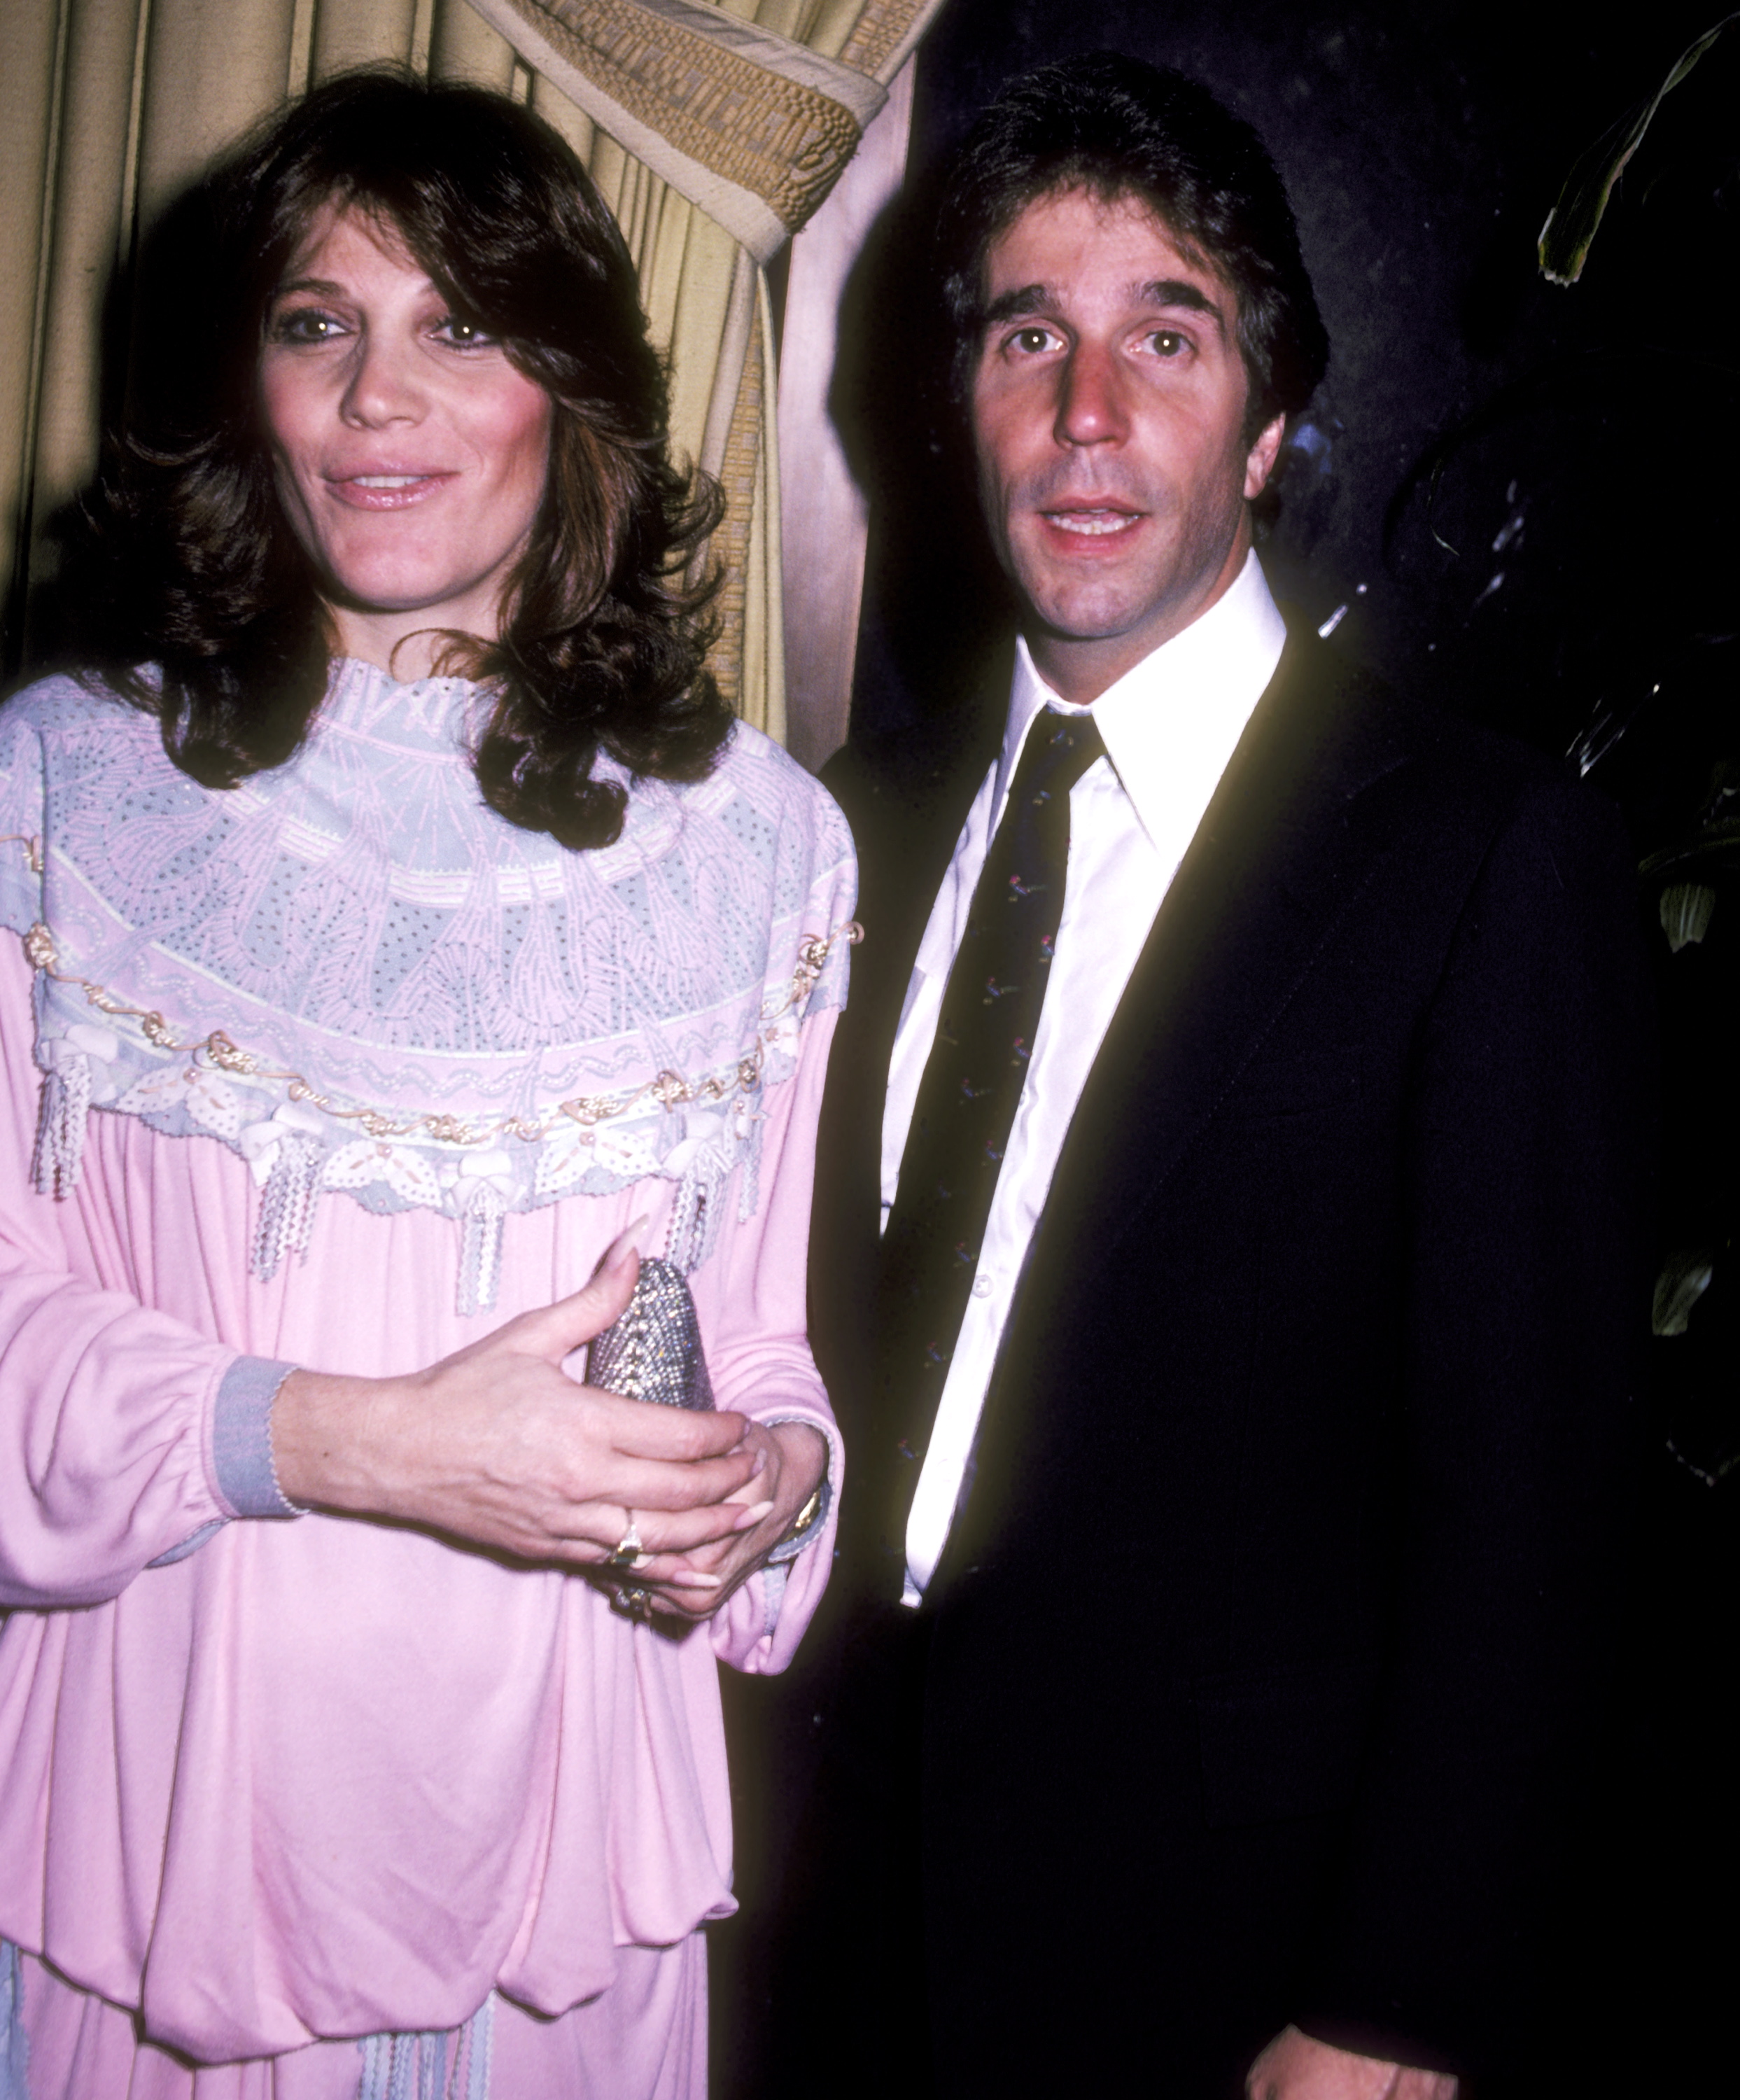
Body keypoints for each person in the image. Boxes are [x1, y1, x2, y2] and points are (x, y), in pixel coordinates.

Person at [795, 50, 1654, 2100]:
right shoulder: (849, 826)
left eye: (1164, 338)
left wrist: (1393, 2004)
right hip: (824, 1915)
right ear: (959, 403)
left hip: (1221, 1970)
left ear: (1267, 426)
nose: (1088, 420)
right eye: (1032, 337)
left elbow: (1538, 1520)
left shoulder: (1478, 857)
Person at [0, 68, 853, 2100]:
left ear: (572, 393)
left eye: (458, 326)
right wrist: (360, 1444)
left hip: (560, 1957)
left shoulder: (762, 849)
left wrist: (768, 1485)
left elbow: (762, 1347)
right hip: (151, 1900)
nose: (380, 399)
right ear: (253, 389)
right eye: (322, 325)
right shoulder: (54, 791)